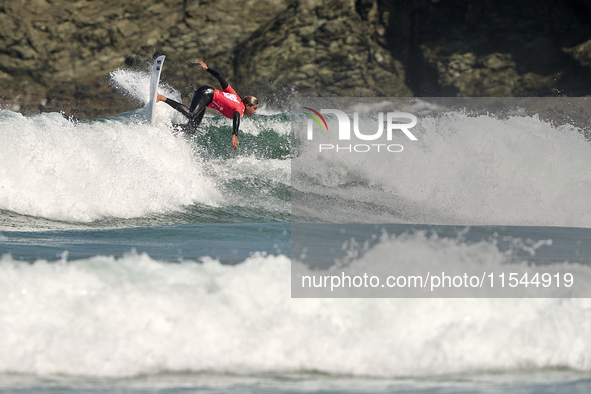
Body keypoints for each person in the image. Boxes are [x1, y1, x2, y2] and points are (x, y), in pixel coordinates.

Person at [156, 61, 258, 150]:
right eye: (254, 108)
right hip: (206, 94)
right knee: (191, 114)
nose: (255, 111)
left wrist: (207, 68)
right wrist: (234, 134)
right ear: (248, 105)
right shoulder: (240, 109)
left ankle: (166, 127)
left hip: (205, 96)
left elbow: (220, 77)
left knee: (191, 129)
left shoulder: (235, 95)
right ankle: (162, 98)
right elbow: (236, 115)